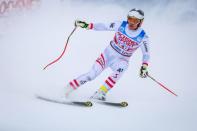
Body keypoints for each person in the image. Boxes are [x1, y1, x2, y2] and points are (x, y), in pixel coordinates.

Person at [64, 8, 150, 101]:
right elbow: (104, 26)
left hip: (121, 60)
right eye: (129, 19)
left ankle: (101, 92)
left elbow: (146, 53)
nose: (131, 23)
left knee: (124, 66)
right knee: (91, 75)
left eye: (135, 20)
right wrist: (88, 25)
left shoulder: (143, 37)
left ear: (140, 22)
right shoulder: (120, 25)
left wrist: (144, 66)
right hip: (107, 55)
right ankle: (67, 89)